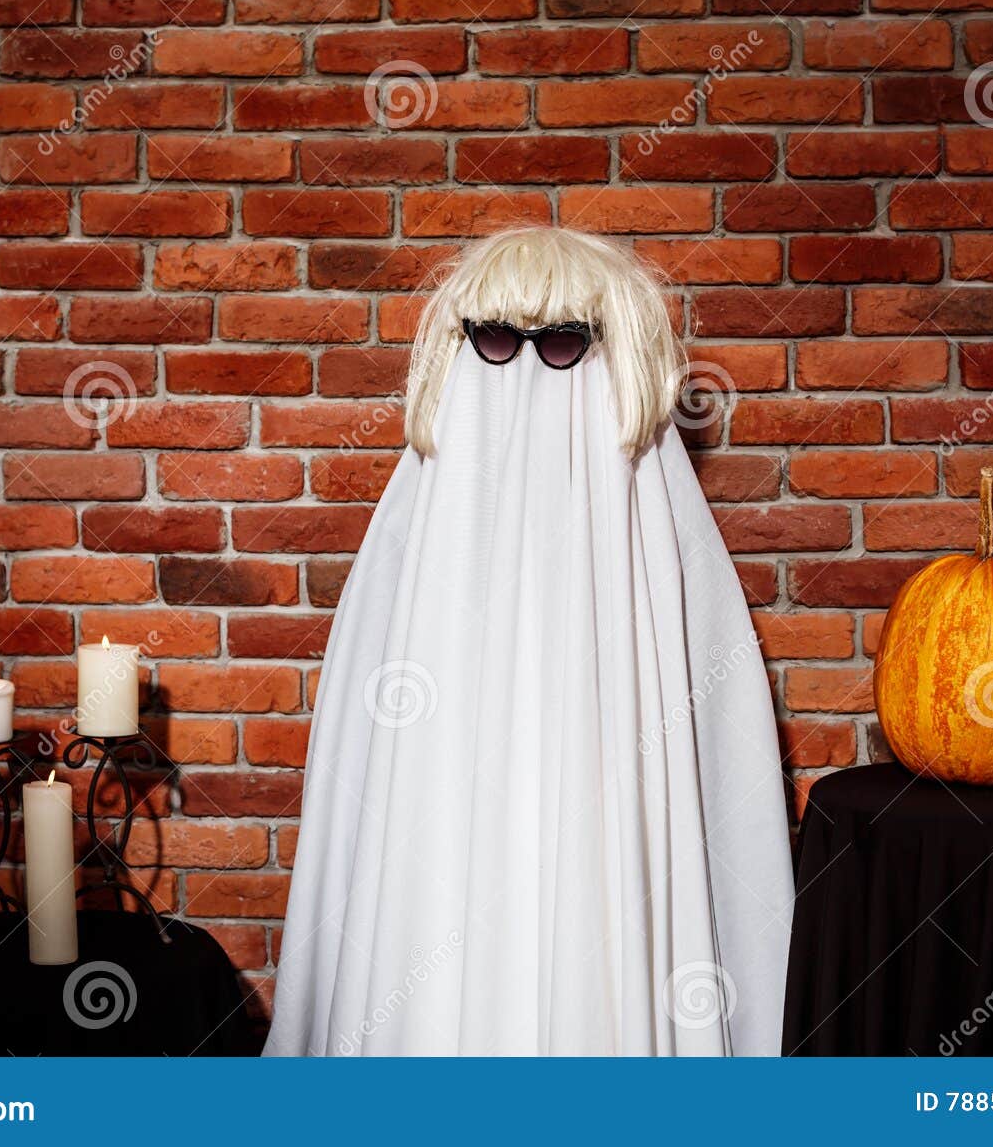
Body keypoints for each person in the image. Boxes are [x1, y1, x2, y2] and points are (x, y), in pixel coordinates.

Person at [264, 227, 794, 1056]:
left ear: (608, 347)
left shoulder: (656, 527)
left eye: (563, 342)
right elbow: (365, 777)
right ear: (463, 343)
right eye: (497, 339)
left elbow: (720, 768)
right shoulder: (417, 527)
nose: (525, 367)